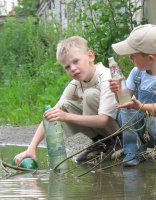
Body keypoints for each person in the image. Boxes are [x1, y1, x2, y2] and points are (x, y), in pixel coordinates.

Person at [16, 36, 119, 165]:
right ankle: (101, 144)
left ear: (90, 56)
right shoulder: (76, 84)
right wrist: (31, 148)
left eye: (76, 61)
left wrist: (66, 116)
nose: (73, 68)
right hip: (104, 128)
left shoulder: (106, 77)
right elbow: (51, 114)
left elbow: (104, 119)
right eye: (67, 67)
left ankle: (118, 143)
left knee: (90, 95)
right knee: (64, 106)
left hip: (123, 129)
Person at [109, 24, 156, 167]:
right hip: (144, 132)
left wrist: (143, 107)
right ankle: (132, 149)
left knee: (153, 117)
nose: (130, 57)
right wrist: (117, 91)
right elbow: (123, 101)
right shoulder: (137, 73)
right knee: (125, 110)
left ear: (150, 58)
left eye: (133, 55)